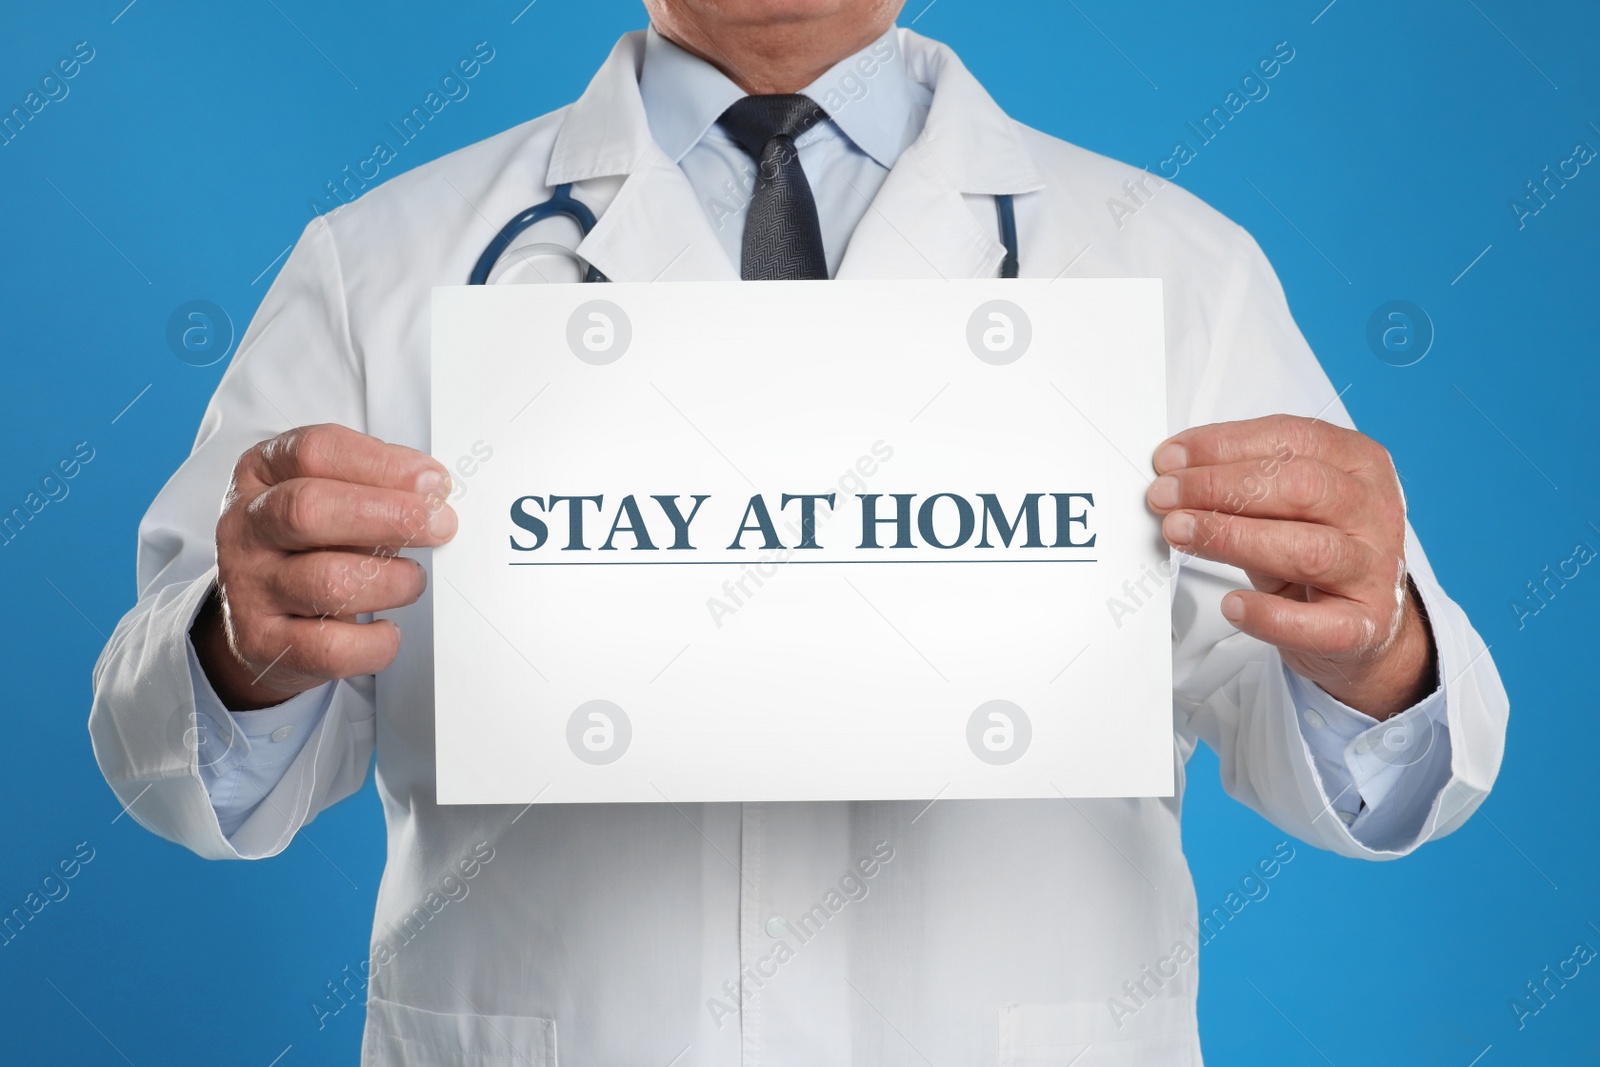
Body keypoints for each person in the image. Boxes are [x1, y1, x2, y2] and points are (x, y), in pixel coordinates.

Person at [88, 1, 1508, 1063]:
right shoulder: (383, 267)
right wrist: (239, 647)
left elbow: (1386, 770)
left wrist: (1371, 644)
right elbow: (175, 754)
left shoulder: (1167, 264)